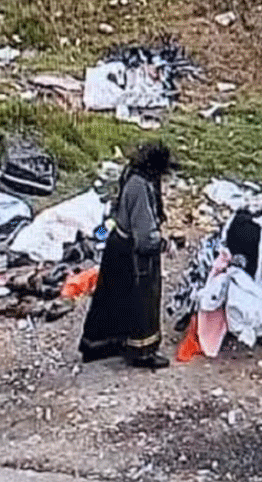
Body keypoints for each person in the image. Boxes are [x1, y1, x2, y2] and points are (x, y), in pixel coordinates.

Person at [79, 141, 178, 369]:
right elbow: (144, 235)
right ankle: (142, 352)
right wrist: (164, 245)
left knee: (111, 298)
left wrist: (101, 233)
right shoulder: (142, 186)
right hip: (134, 255)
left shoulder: (130, 173)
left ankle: (100, 346)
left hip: (116, 243)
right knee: (142, 302)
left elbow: (114, 212)